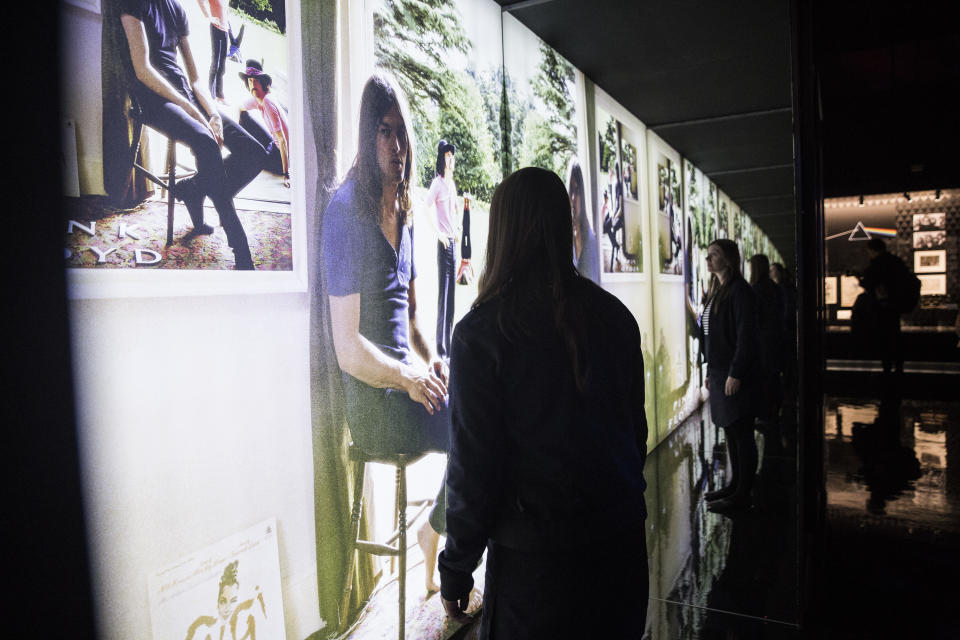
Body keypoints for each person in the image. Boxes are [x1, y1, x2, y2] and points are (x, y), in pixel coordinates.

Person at [438, 167, 649, 637]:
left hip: (538, 576)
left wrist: (456, 569)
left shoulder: (481, 334)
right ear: (561, 223)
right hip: (622, 556)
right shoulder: (616, 318)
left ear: (503, 231)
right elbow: (635, 435)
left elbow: (474, 470)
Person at [321, 73, 449, 593]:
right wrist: (408, 378)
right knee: (480, 425)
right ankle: (437, 534)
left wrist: (433, 359)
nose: (397, 147)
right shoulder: (344, 211)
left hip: (407, 384)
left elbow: (413, 320)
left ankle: (435, 530)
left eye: (402, 133)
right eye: (384, 132)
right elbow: (348, 349)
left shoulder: (406, 209)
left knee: (486, 409)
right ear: (366, 135)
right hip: (373, 406)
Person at [120, 0, 267, 269]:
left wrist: (212, 114)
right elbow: (142, 70)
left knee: (256, 152)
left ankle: (195, 188)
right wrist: (194, 112)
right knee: (206, 141)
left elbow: (196, 80)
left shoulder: (176, 9)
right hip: (154, 100)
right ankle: (240, 248)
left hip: (185, 94)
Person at [700, 239, 760, 512]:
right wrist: (711, 370)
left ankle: (743, 493)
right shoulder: (720, 290)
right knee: (731, 432)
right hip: (720, 371)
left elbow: (746, 336)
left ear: (729, 259)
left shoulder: (739, 291)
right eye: (708, 255)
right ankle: (736, 485)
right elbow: (713, 336)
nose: (708, 259)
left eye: (714, 255)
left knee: (741, 432)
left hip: (735, 374)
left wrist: (735, 372)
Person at [424, 139, 460, 358]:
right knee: (443, 296)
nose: (450, 159)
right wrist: (439, 234)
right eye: (447, 155)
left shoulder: (451, 184)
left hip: (453, 245)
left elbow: (454, 211)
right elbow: (427, 207)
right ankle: (441, 348)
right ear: (441, 158)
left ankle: (449, 343)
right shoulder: (437, 184)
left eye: (451, 155)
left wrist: (456, 231)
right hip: (443, 245)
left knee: (452, 298)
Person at [860, 238, 909, 374]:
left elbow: (869, 283)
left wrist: (860, 279)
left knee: (885, 337)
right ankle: (899, 365)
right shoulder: (895, 262)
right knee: (895, 335)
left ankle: (887, 366)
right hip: (895, 306)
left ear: (872, 250)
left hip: (882, 307)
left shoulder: (876, 264)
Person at [238, 61, 291, 187]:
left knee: (255, 159)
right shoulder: (258, 99)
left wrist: (286, 174)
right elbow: (240, 108)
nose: (253, 85)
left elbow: (282, 140)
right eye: (250, 81)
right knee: (244, 118)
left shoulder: (267, 102)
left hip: (282, 156)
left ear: (263, 82)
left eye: (256, 80)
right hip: (274, 145)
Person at [749, 253, 784, 424]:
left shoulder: (755, 290)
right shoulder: (774, 288)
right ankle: (774, 412)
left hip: (762, 343)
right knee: (773, 378)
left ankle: (764, 414)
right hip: (775, 341)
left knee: (763, 381)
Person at [567, 159, 599, 283]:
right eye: (571, 190)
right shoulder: (563, 237)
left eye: (577, 191)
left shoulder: (590, 239)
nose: (574, 198)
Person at [196, 0, 229, 103]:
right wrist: (209, 17)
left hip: (225, 31)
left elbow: (226, 10)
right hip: (216, 28)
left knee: (222, 66)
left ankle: (220, 96)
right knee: (216, 63)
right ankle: (211, 95)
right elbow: (200, 1)